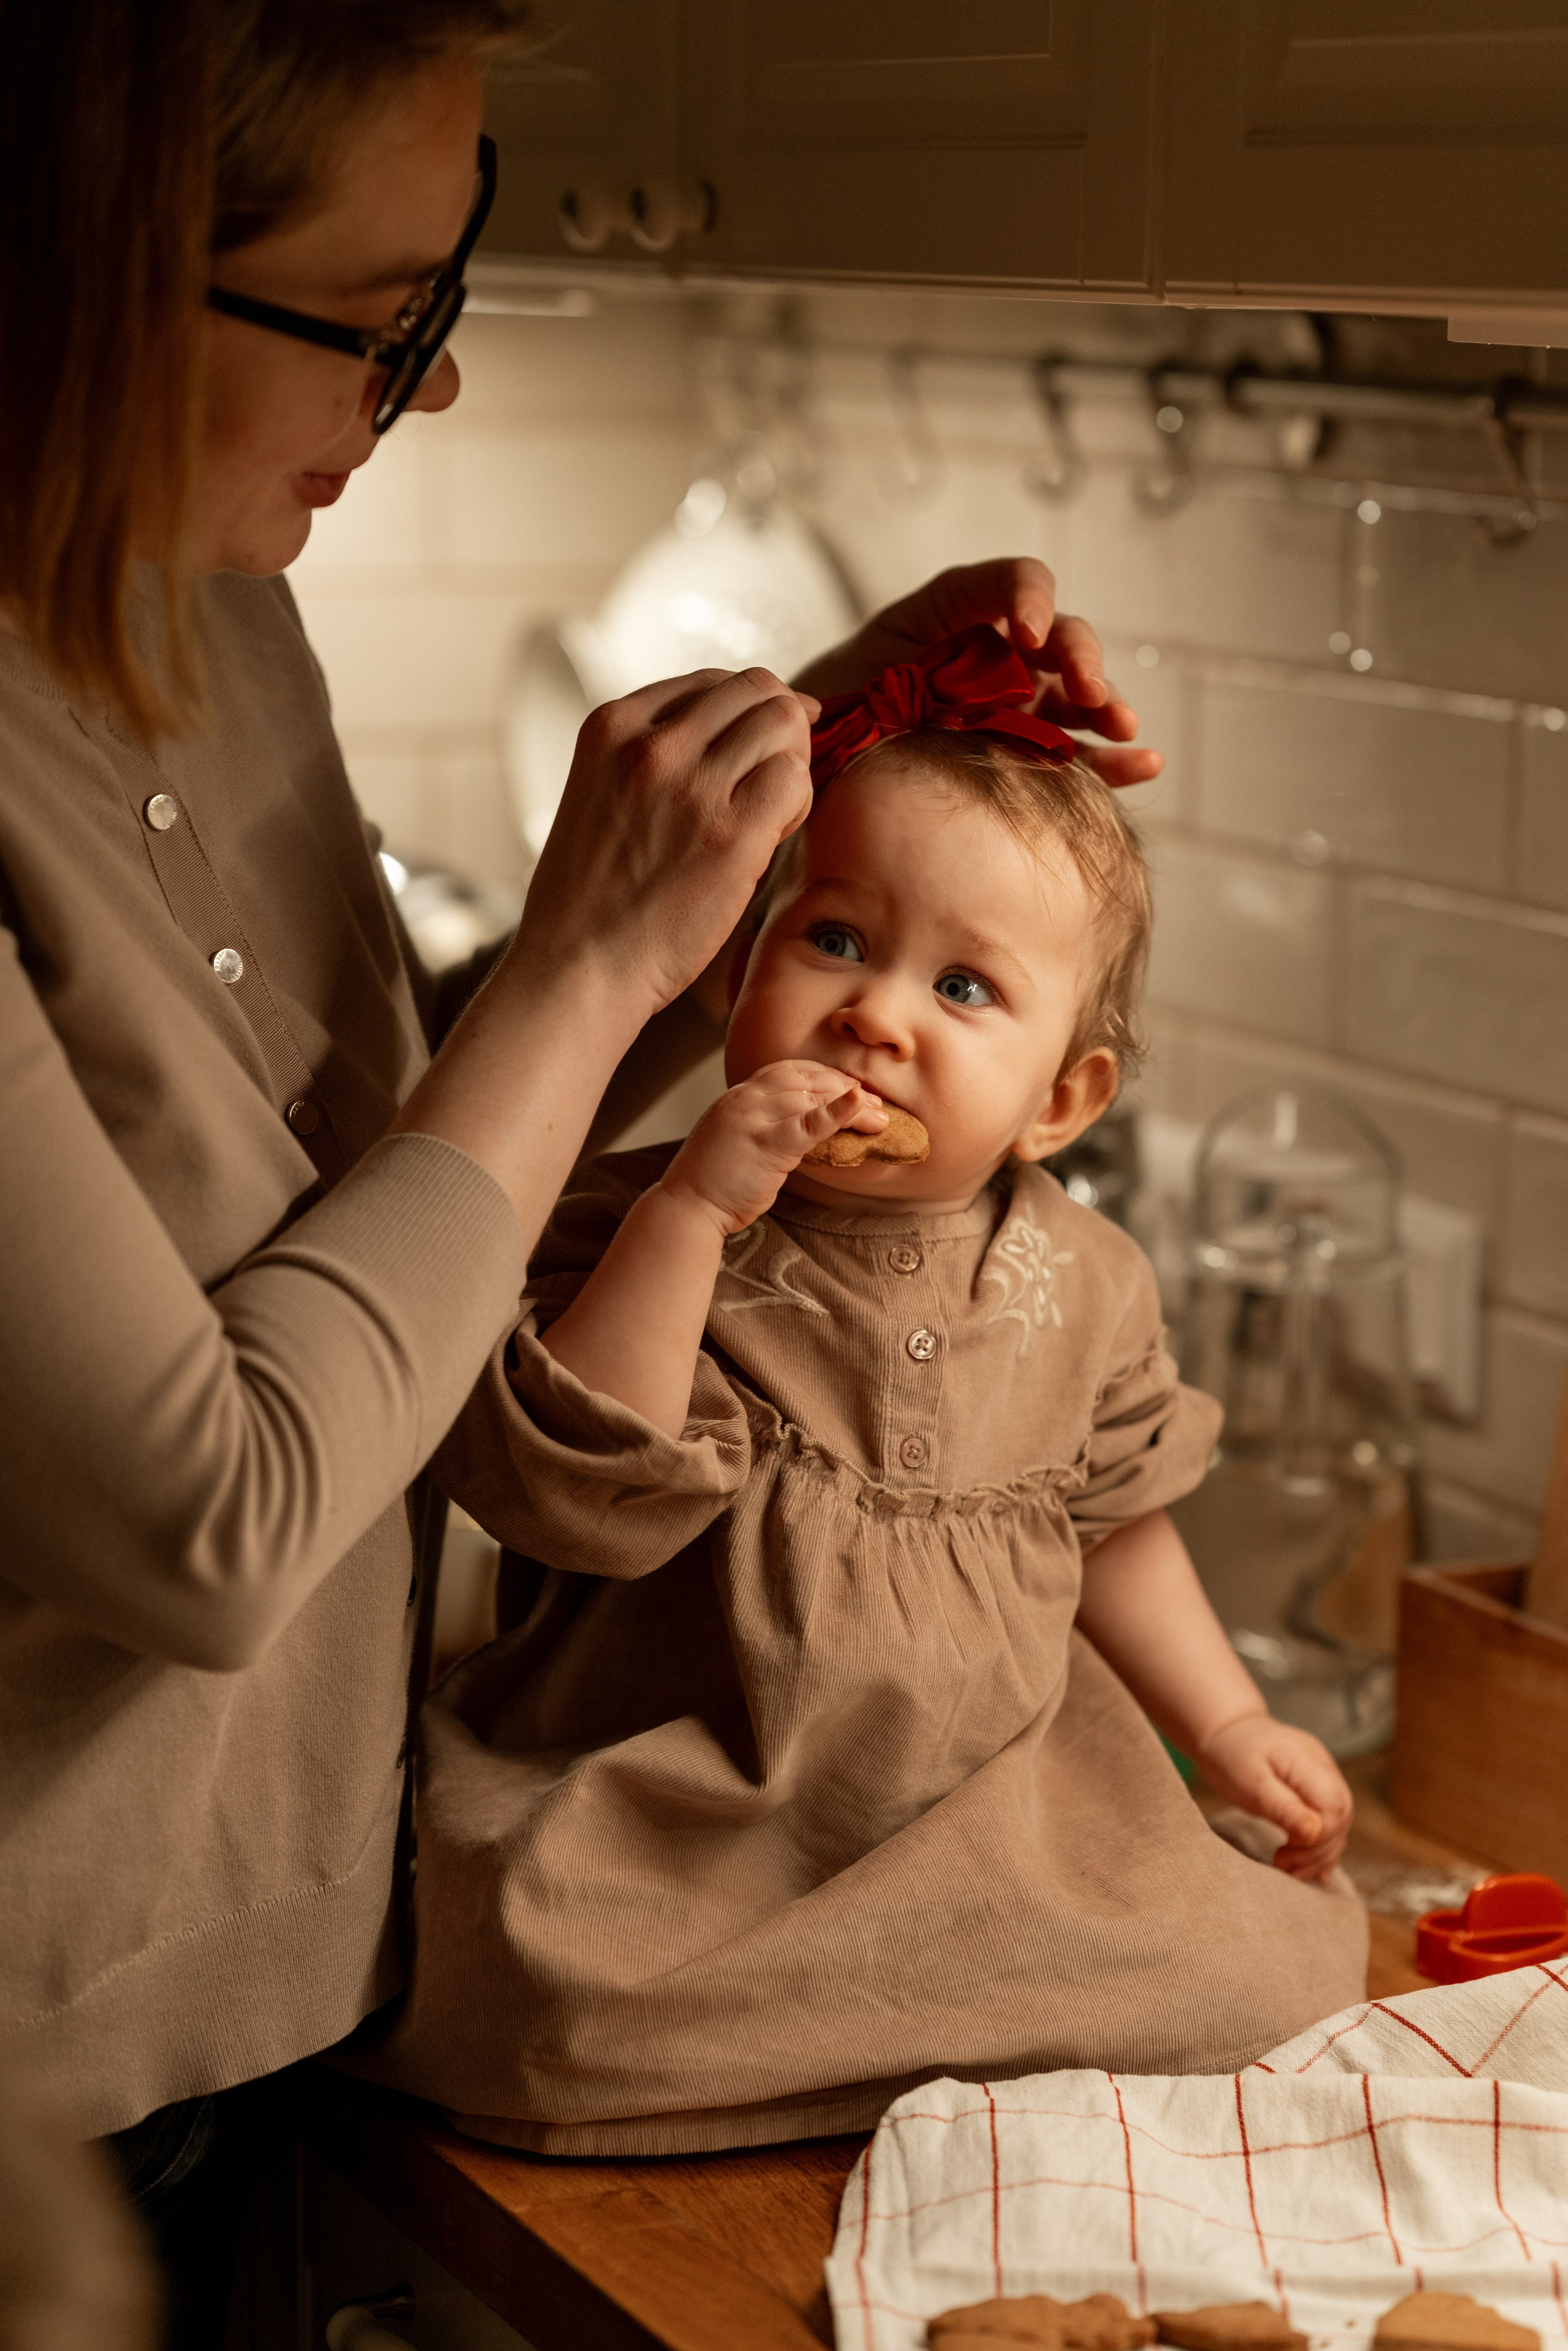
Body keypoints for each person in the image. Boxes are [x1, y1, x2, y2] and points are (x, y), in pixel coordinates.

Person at [0, 0, 1157, 2336]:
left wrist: (802, 784)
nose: (422, 388)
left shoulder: (198, 601)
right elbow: (211, 1512)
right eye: (377, 314)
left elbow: (381, 1192)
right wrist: (584, 966)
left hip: (295, 1972)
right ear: (86, 272)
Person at [349, 626, 1367, 2157]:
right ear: (743, 960)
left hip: (988, 1821)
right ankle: (791, 2041)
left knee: (1256, 1967)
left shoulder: (1081, 1278)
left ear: (1060, 1099)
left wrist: (1222, 1721)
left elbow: (1113, 1529)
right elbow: (584, 1500)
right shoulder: (619, 1217)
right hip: (694, 1823)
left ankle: (909, 2026)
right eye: (832, 938)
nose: (874, 1014)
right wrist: (691, 1211)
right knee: (547, 1999)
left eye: (961, 985)